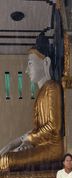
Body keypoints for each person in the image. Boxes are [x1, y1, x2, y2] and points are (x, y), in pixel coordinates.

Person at [0, 34, 63, 171]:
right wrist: (12, 143)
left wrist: (29, 139)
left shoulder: (52, 88)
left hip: (52, 146)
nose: (27, 70)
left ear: (45, 63)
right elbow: (37, 129)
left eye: (30, 63)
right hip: (42, 144)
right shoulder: (42, 92)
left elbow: (54, 128)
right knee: (4, 157)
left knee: (7, 160)